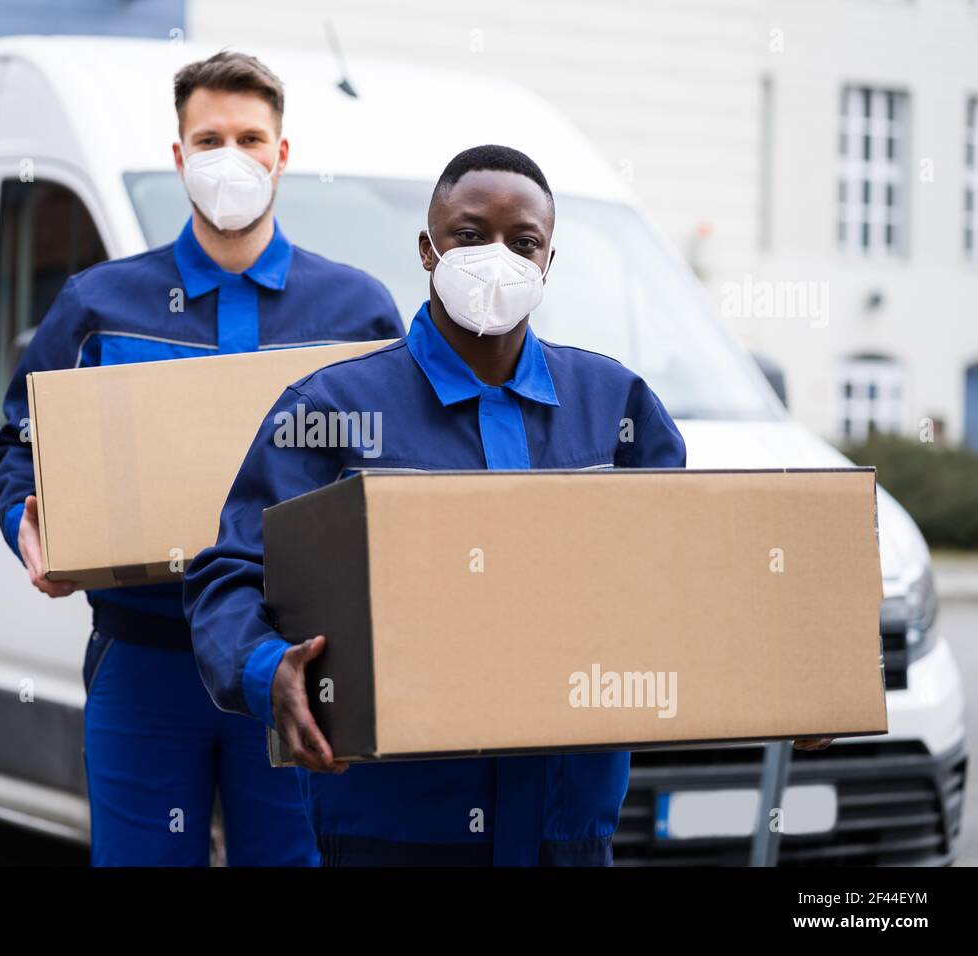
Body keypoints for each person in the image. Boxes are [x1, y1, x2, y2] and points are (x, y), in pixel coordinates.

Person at [184, 144, 832, 867]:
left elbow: (686, 579)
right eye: (469, 235)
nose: (497, 256)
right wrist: (265, 668)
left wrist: (795, 673)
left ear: (547, 263)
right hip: (393, 824)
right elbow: (229, 576)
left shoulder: (615, 407)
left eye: (523, 242)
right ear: (428, 250)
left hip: (569, 821)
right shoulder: (331, 410)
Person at [0, 51, 403, 867]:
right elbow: (20, 445)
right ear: (178, 158)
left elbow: (395, 466)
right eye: (209, 140)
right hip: (143, 658)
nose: (232, 159)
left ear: (283, 154)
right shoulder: (98, 303)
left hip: (296, 662)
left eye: (251, 138)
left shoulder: (357, 312)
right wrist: (27, 526)